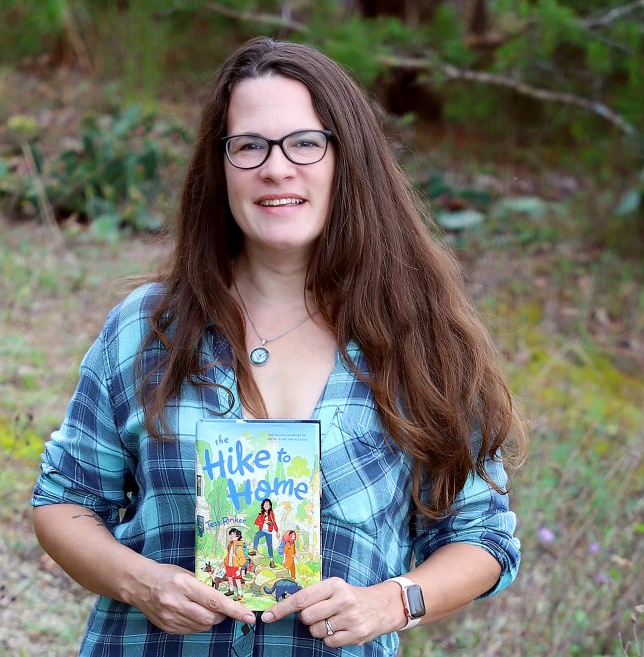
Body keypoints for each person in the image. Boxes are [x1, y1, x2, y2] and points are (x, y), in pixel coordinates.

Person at [31, 36, 525, 657]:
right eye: (249, 146)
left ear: (348, 160)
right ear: (220, 166)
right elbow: (63, 502)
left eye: (305, 142)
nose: (276, 168)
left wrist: (391, 602)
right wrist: (143, 583)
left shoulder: (421, 341)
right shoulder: (144, 329)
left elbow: (483, 537)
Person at [253, 498, 280, 568]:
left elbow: (274, 522)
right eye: (265, 504)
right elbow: (256, 522)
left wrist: (277, 531)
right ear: (263, 505)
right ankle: (254, 550)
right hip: (262, 530)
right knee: (256, 536)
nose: (266, 505)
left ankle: (271, 560)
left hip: (269, 532)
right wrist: (263, 522)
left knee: (269, 546)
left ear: (270, 506)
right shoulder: (261, 514)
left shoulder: (271, 513)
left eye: (268, 504)